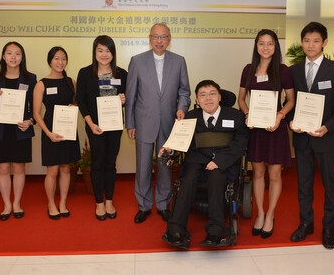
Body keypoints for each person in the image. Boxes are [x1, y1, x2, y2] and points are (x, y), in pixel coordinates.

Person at [161, 80, 249, 249]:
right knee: (187, 180)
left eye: (212, 94)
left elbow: (240, 144)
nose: (208, 98)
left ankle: (215, 230)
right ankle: (176, 229)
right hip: (197, 159)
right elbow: (179, 142)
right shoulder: (189, 117)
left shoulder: (236, 116)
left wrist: (218, 162)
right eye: (203, 95)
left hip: (224, 161)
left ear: (220, 97)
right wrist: (169, 150)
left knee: (217, 178)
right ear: (197, 100)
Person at [287, 22, 334, 249]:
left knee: (330, 185)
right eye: (306, 40)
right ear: (301, 42)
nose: (310, 45)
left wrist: (328, 127)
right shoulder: (292, 71)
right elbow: (288, 104)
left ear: (324, 43)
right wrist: (290, 121)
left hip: (326, 138)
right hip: (302, 138)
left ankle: (328, 228)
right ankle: (306, 224)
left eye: (315, 41)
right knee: (303, 185)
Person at [125, 23, 191, 223]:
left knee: (165, 166)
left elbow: (184, 91)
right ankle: (144, 206)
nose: (159, 41)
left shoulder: (179, 61)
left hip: (170, 124)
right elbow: (131, 94)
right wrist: (130, 123)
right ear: (150, 38)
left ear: (169, 40)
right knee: (143, 166)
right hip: (144, 122)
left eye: (163, 37)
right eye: (156, 37)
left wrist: (182, 107)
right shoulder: (137, 61)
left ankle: (163, 204)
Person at [238, 29, 295, 239]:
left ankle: (270, 215)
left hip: (274, 128)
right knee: (258, 173)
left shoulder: (283, 70)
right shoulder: (248, 69)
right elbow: (241, 99)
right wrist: (247, 115)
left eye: (270, 43)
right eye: (261, 43)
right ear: (256, 46)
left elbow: (290, 100)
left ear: (275, 47)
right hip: (256, 129)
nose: (265, 47)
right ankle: (260, 214)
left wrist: (280, 116)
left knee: (274, 174)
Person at [76, 35, 127, 220]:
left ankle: (109, 200)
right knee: (97, 164)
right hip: (94, 126)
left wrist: (124, 99)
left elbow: (127, 97)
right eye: (100, 50)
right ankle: (99, 202)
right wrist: (90, 124)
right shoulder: (85, 73)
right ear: (94, 52)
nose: (104, 54)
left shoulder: (122, 73)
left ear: (113, 53)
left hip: (114, 126)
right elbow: (80, 101)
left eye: (108, 50)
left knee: (110, 164)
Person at [0, 42, 37, 221]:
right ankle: (7, 204)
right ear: (3, 56)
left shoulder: (30, 79)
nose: (13, 57)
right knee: (3, 168)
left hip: (20, 129)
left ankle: (17, 203)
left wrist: (30, 121)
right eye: (10, 53)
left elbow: (35, 107)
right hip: (0, 130)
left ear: (22, 57)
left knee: (19, 168)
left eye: (17, 54)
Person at [33, 46, 80, 220]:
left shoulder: (71, 82)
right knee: (52, 170)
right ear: (50, 61)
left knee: (66, 168)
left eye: (63, 59)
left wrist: (75, 106)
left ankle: (63, 203)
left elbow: (77, 104)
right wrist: (48, 133)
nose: (60, 62)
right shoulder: (41, 84)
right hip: (50, 132)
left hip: (68, 130)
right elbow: (36, 113)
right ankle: (51, 204)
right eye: (56, 58)